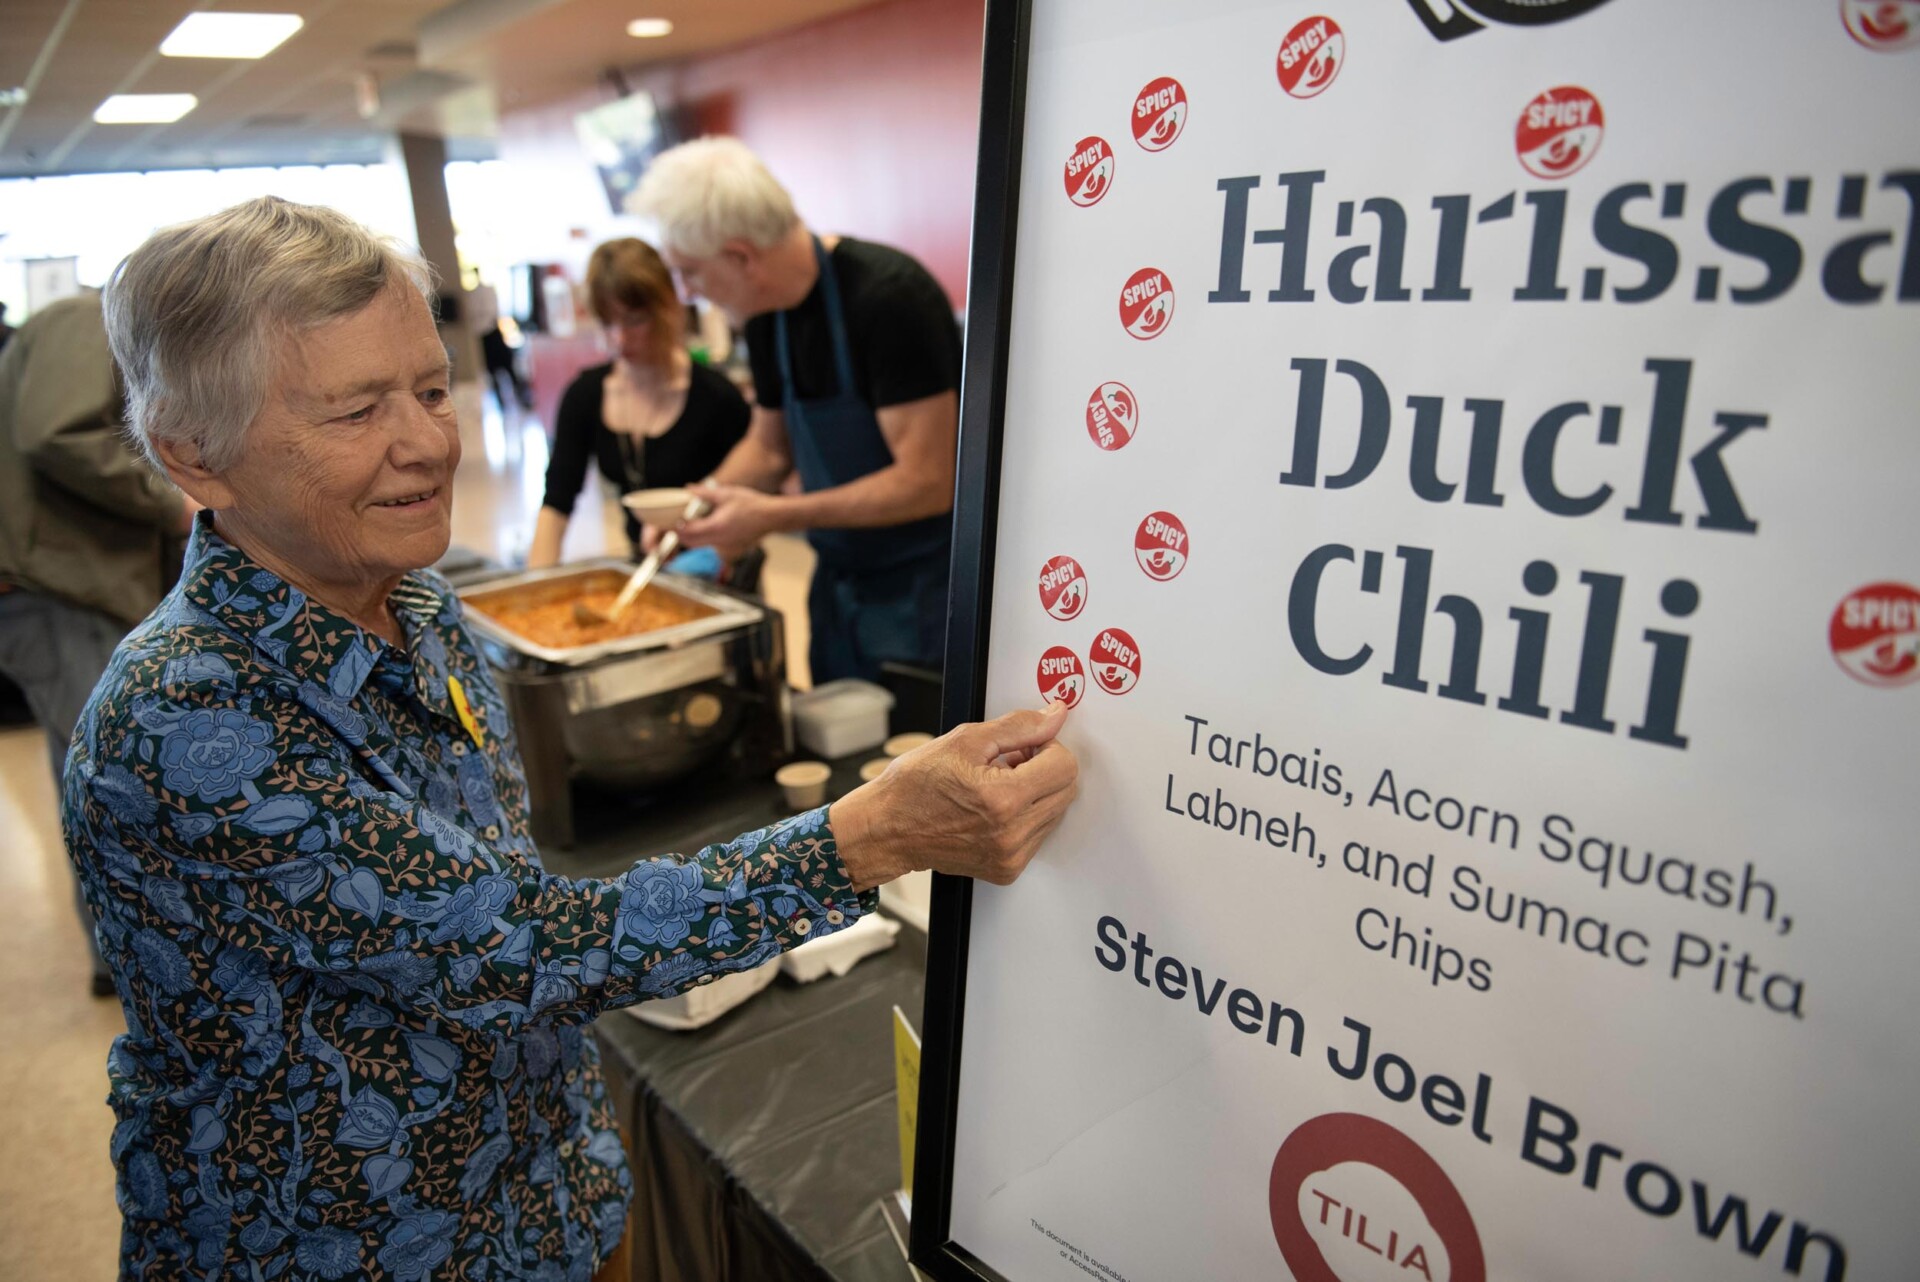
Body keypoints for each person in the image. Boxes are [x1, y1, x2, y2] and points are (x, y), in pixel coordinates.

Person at [65, 196, 1077, 1281]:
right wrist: (866, 836)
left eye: (428, 388)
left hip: (550, 1197)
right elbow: (521, 948)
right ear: (194, 456)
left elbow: (493, 873)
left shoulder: (422, 606)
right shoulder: (187, 719)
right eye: (356, 412)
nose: (427, 443)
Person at [631, 137, 961, 684]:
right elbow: (767, 447)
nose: (688, 292)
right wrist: (693, 512)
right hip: (836, 585)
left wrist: (775, 516)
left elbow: (927, 482)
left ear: (740, 256)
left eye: (690, 272)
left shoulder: (889, 299)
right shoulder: (766, 315)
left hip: (922, 592)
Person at [0, 290, 193, 997]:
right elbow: (57, 434)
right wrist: (170, 499)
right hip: (59, 589)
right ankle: (152, 970)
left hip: (58, 589)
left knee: (86, 773)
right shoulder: (88, 319)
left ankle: (118, 957)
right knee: (126, 785)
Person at [528, 238, 749, 569]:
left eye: (634, 320)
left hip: (722, 563)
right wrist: (535, 585)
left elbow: (752, 499)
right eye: (607, 323)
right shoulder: (586, 395)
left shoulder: (717, 397)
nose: (619, 337)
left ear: (668, 308)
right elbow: (557, 502)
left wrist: (717, 555)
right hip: (645, 564)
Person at [465, 275, 532, 414]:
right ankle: (502, 403)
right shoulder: (471, 295)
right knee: (493, 372)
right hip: (484, 337)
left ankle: (521, 398)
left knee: (508, 368)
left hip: (492, 333)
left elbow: (490, 313)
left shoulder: (488, 291)